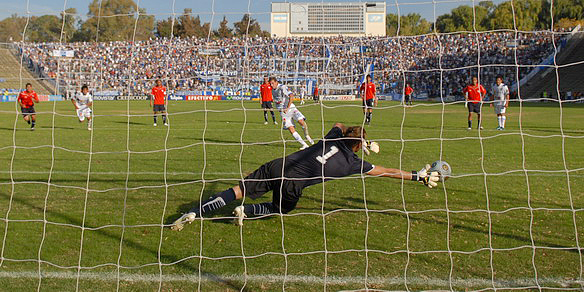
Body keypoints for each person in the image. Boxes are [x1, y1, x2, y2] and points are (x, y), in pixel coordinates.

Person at [170, 123, 440, 231]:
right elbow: (388, 171)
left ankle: (196, 212)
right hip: (293, 183)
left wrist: (356, 137)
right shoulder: (352, 163)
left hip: (279, 164)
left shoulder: (334, 136)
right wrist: (417, 175)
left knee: (238, 188)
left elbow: (337, 124)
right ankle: (247, 212)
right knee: (280, 208)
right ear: (359, 146)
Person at [269, 77, 314, 150]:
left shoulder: (282, 87)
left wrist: (287, 107)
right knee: (291, 128)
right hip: (283, 112)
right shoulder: (272, 91)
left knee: (301, 122)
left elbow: (291, 96)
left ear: (276, 82)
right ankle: (304, 144)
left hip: (291, 108)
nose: (271, 85)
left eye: (272, 83)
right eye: (270, 83)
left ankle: (307, 135)